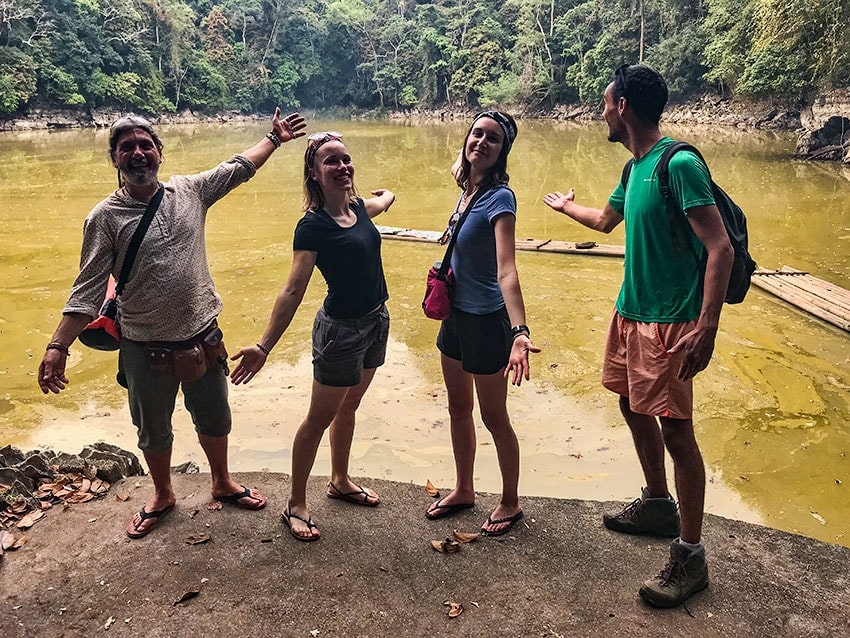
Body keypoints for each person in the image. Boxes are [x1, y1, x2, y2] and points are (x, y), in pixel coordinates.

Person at [37, 108, 307, 539]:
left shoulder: (189, 191)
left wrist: (273, 139)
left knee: (216, 418)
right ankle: (162, 494)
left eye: (146, 145)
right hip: (144, 346)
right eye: (127, 148)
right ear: (115, 160)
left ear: (160, 153)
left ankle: (221, 481)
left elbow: (237, 168)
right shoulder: (104, 218)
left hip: (204, 336)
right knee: (152, 428)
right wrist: (58, 346)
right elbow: (87, 291)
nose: (138, 153)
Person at [543, 64, 734, 607]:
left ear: (623, 105)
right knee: (630, 404)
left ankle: (690, 556)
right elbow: (606, 222)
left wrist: (707, 326)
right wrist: (565, 208)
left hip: (672, 321)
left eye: (606, 102)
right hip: (631, 312)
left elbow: (720, 247)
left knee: (677, 432)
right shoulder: (634, 171)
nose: (601, 110)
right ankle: (656, 502)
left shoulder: (680, 164)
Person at [229, 131, 395, 542]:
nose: (342, 167)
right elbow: (293, 289)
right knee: (318, 418)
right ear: (315, 174)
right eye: (331, 162)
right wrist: (264, 345)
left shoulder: (358, 208)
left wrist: (389, 194)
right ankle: (296, 503)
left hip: (377, 321)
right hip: (341, 331)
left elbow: (378, 205)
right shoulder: (313, 227)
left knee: (349, 406)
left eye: (346, 159)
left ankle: (339, 480)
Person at [424, 111, 540, 537]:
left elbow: (506, 269)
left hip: (487, 320)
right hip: (454, 316)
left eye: (493, 139)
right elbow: (459, 168)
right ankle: (464, 489)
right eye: (477, 134)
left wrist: (519, 332)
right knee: (458, 409)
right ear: (466, 138)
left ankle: (510, 501)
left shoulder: (500, 198)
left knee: (494, 416)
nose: (482, 143)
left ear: (502, 150)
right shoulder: (467, 187)